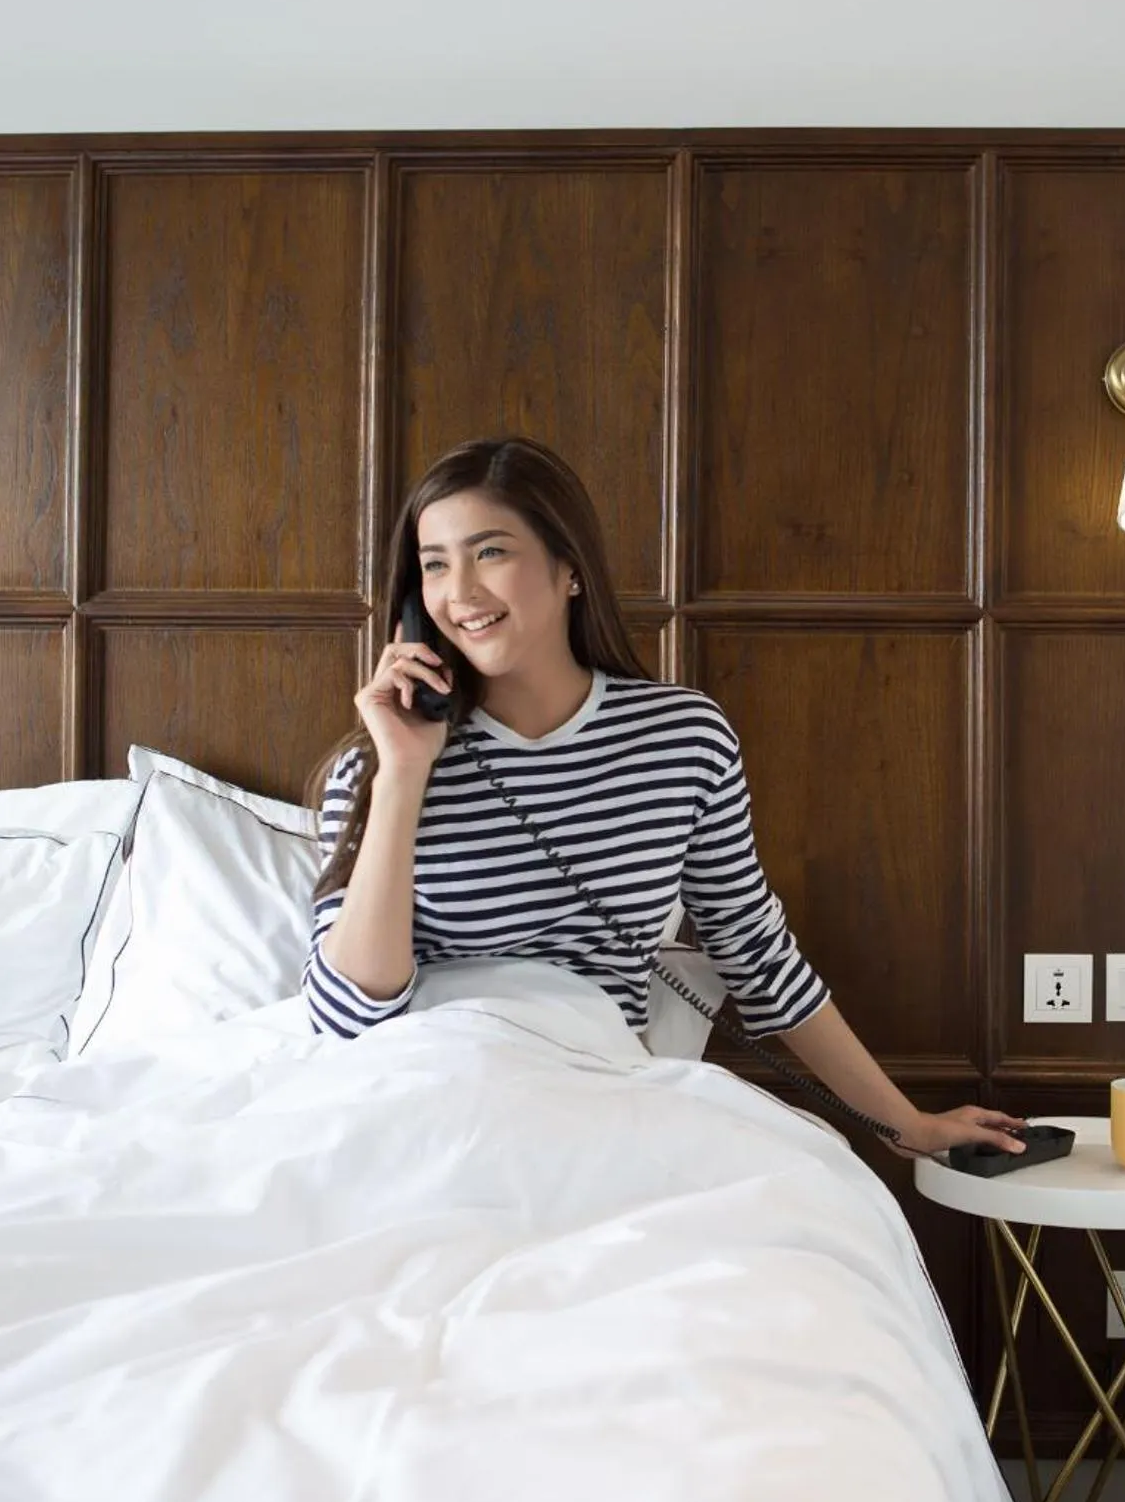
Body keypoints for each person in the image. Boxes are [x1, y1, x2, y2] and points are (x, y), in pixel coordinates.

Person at [303, 435, 1025, 1161]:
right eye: (434, 565)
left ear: (570, 569)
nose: (458, 593)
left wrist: (902, 1125)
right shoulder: (380, 761)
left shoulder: (683, 738)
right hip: (422, 1101)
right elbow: (345, 1014)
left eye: (490, 552)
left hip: (592, 1100)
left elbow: (756, 953)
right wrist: (400, 774)